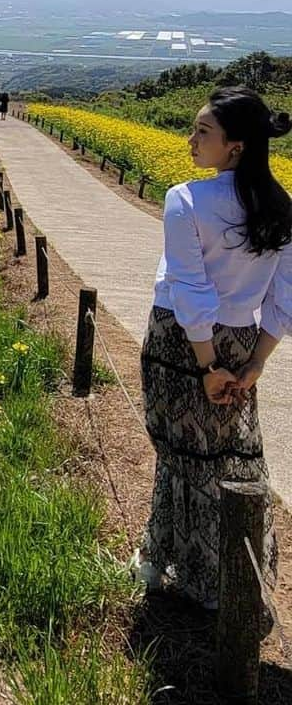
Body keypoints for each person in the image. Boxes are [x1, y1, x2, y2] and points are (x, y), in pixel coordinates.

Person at [138, 86, 292, 610]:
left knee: (178, 454)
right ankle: (206, 570)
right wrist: (253, 365)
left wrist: (208, 367)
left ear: (237, 147)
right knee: (226, 458)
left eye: (203, 131)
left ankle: (180, 569)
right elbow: (282, 299)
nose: (191, 139)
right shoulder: (281, 208)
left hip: (183, 342)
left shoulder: (185, 199)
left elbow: (190, 289)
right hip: (242, 340)